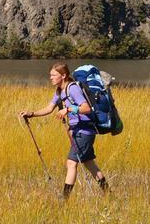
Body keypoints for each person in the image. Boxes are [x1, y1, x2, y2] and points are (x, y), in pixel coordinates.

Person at [19, 62, 109, 200]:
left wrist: (68, 109)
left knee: (71, 163)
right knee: (89, 163)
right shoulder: (59, 91)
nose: (51, 78)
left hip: (84, 131)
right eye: (50, 75)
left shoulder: (72, 89)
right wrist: (31, 114)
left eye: (54, 75)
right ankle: (108, 193)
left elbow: (86, 107)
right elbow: (49, 109)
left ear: (63, 75)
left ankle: (65, 199)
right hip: (78, 132)